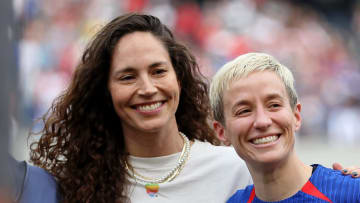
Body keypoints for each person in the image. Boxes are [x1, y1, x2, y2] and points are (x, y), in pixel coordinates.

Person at [29, 13, 252, 202]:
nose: (147, 88)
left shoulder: (239, 170)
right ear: (106, 92)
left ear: (179, 79)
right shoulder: (77, 186)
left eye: (158, 72)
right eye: (128, 77)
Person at [209, 52, 360, 202]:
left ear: (296, 116)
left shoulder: (352, 193)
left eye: (274, 105)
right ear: (222, 131)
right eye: (244, 111)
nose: (262, 121)